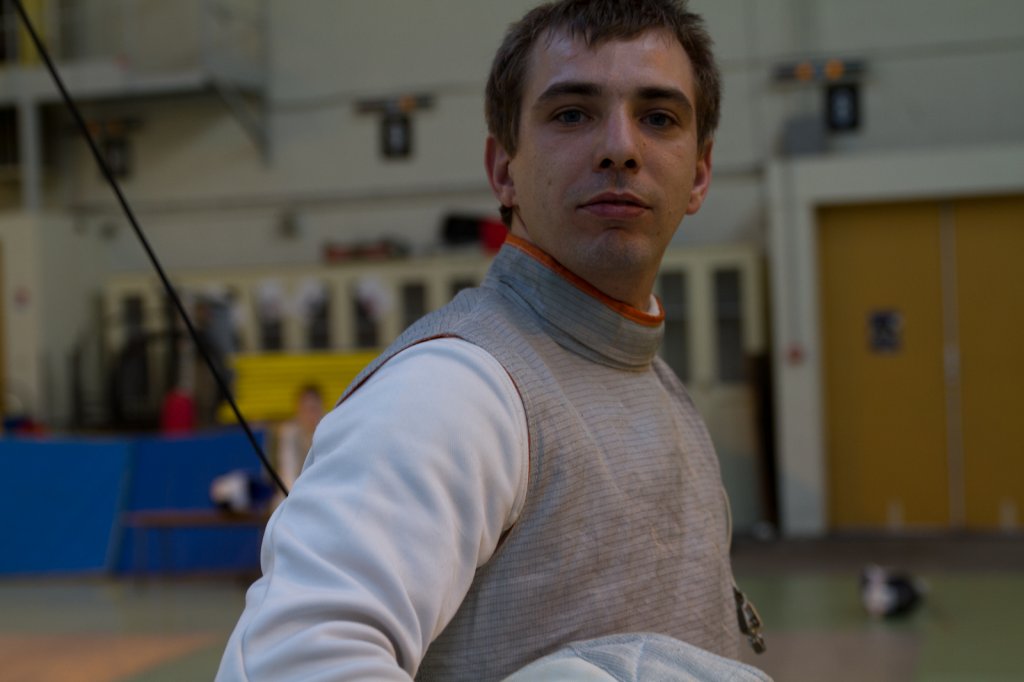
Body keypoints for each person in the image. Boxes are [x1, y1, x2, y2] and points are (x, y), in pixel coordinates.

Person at [217, 1, 763, 679]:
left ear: (700, 174)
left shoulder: (659, 386)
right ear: (503, 169)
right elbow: (289, 664)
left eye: (658, 118)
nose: (620, 147)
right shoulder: (452, 389)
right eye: (573, 114)